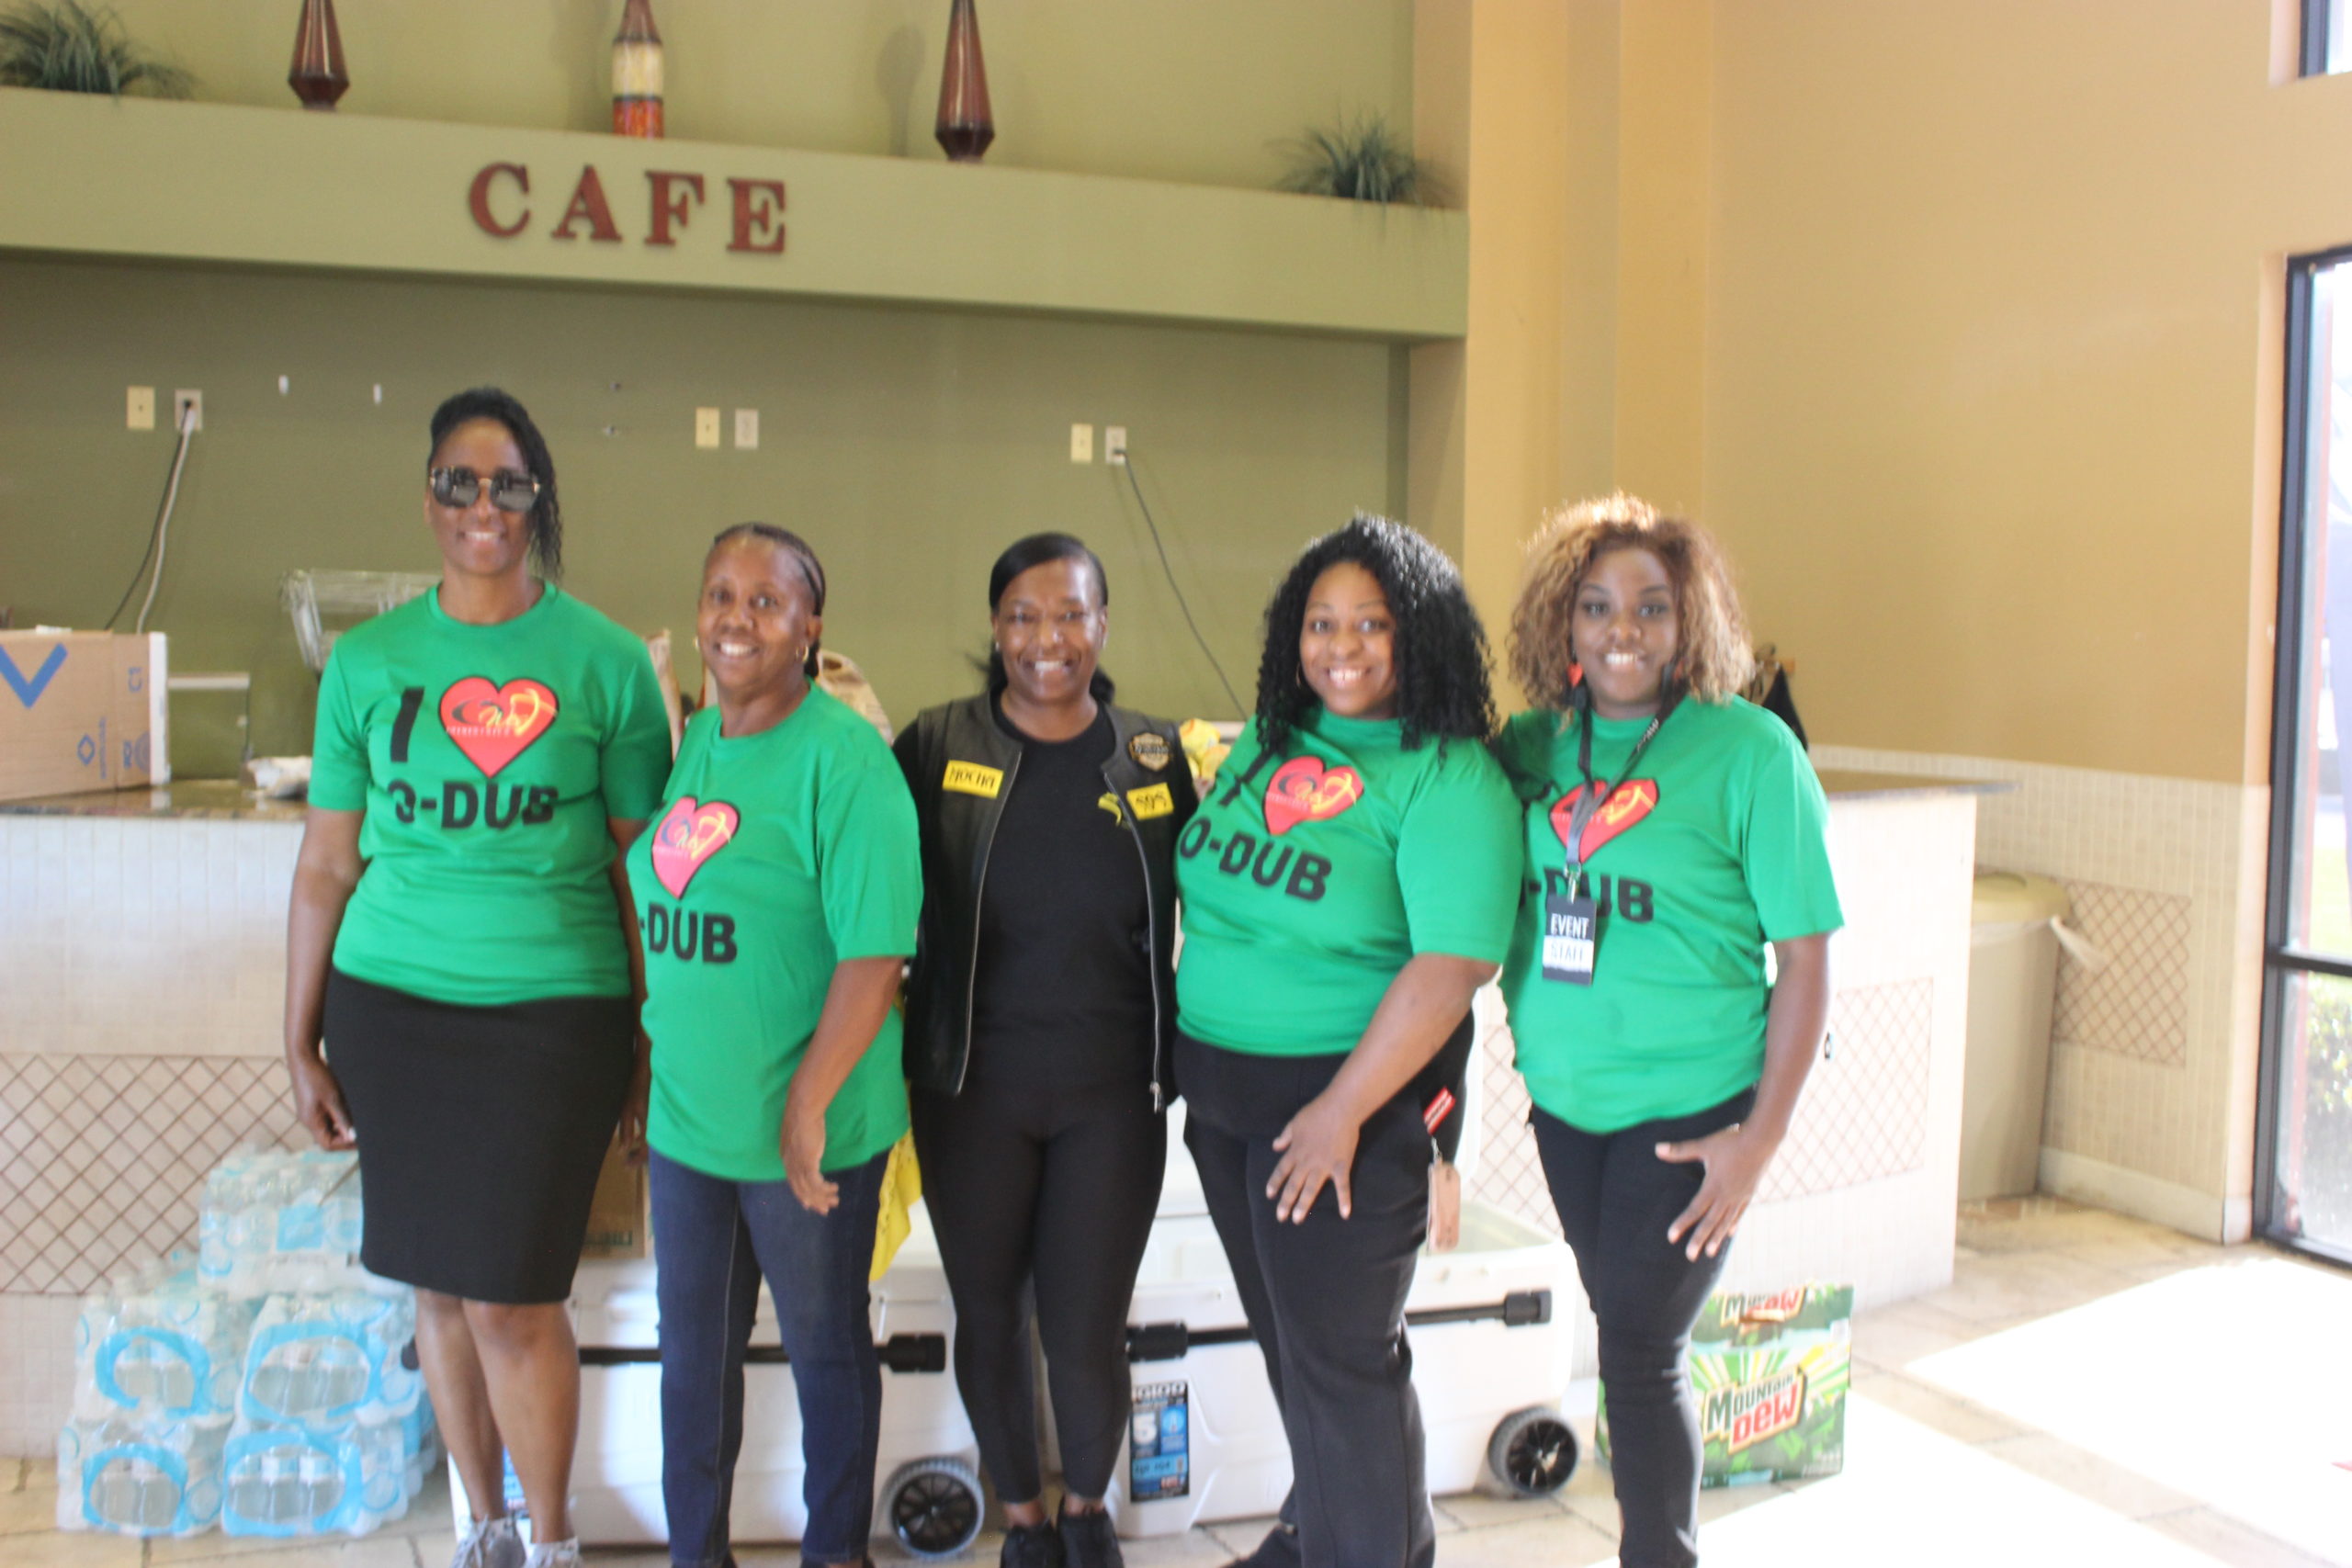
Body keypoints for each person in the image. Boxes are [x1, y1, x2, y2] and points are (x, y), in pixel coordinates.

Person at [283, 387, 673, 1568]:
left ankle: (551, 1540)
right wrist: (298, 1039)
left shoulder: (607, 663)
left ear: (537, 501)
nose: (483, 505)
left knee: (510, 1293)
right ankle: (486, 1527)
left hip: (552, 1017)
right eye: (459, 482)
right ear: (428, 500)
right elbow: (327, 864)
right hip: (390, 1011)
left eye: (508, 484)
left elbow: (642, 873)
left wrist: (650, 1039)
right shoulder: (366, 664)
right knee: (439, 1289)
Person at [1495, 493, 1841, 1568]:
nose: (1624, 631)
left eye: (1651, 606)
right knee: (1628, 1330)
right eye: (1596, 605)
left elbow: (1806, 962)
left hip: (1690, 1114)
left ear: (1691, 619)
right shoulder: (1529, 749)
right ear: (1560, 619)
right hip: (1564, 1107)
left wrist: (1757, 1142)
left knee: (1639, 1352)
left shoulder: (1750, 752)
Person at [1173, 514, 1520, 1568]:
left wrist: (1339, 1113)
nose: (1342, 646)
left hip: (1340, 1117)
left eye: (1372, 623)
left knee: (1344, 1372)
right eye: (1320, 622)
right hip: (1227, 1108)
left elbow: (1449, 969)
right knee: (1300, 1359)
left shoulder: (1448, 776)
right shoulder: (1271, 741)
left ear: (1421, 634)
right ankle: (1322, 1535)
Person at [894, 533, 1194, 1568]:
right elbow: (865, 878)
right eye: (1023, 615)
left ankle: (1086, 1512)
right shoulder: (935, 744)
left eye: (1070, 613)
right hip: (971, 1090)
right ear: (995, 627)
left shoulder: (1152, 754)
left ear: (1103, 623)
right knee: (989, 1313)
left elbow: (1221, 899)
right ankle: (1022, 1519)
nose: (1047, 638)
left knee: (1086, 1323)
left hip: (1114, 1094)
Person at [627, 524, 922, 1568]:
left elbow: (875, 957)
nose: (735, 619)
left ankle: (835, 1552)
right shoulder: (697, 742)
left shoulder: (847, 763)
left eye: (765, 600)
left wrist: (804, 1108)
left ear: (810, 629)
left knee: (825, 1355)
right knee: (691, 1364)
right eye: (720, 595)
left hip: (812, 1130)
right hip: (691, 1127)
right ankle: (695, 1554)